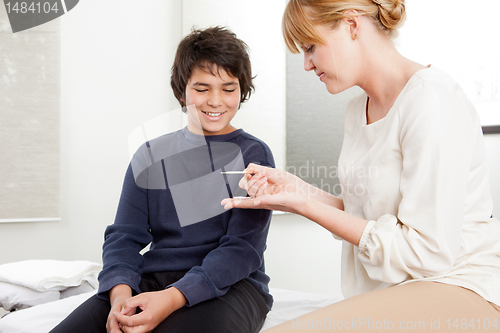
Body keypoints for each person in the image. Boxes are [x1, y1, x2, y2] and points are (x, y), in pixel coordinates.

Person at [222, 0, 500, 331]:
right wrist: (296, 191)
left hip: (460, 285)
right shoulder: (357, 110)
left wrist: (306, 205)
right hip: (399, 290)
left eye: (310, 47)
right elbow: (368, 218)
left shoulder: (431, 101)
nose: (307, 65)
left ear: (352, 25)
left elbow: (427, 253)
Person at [50, 26, 274, 333]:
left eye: (228, 88)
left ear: (241, 90)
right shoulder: (149, 155)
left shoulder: (254, 154)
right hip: (155, 277)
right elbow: (124, 237)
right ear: (182, 90)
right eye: (202, 88)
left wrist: (171, 299)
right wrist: (120, 296)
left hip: (232, 285)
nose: (216, 100)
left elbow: (241, 250)